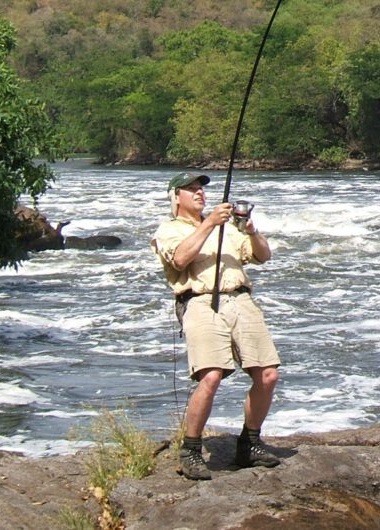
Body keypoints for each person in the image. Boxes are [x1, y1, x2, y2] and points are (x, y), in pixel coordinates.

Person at [151, 172, 281, 480]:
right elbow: (180, 259)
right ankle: (191, 450)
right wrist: (209, 224)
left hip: (240, 298)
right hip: (199, 301)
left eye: (201, 189)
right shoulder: (169, 230)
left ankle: (250, 442)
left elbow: (263, 255)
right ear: (176, 197)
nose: (199, 193)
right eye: (191, 189)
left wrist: (251, 231)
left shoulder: (229, 228)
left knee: (268, 373)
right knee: (210, 375)